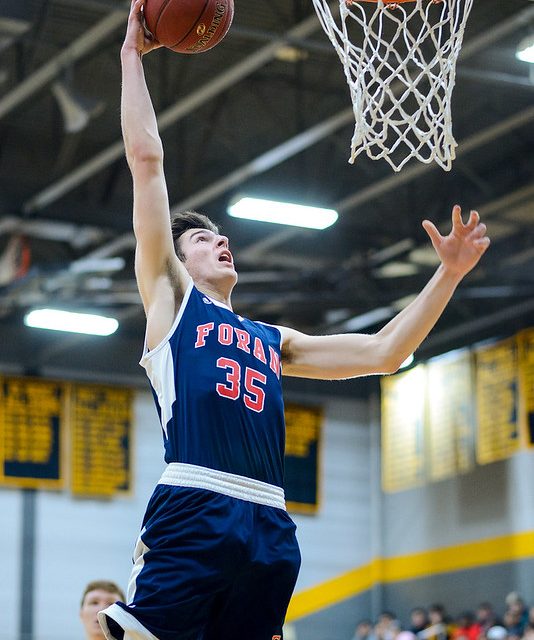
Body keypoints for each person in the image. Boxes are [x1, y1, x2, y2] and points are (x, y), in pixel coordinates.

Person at [98, 1, 491, 638]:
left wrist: (447, 275)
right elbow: (148, 163)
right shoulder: (172, 303)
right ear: (177, 257)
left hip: (270, 521)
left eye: (224, 237)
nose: (221, 243)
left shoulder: (271, 340)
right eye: (203, 239)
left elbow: (385, 351)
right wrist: (129, 60)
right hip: (195, 501)